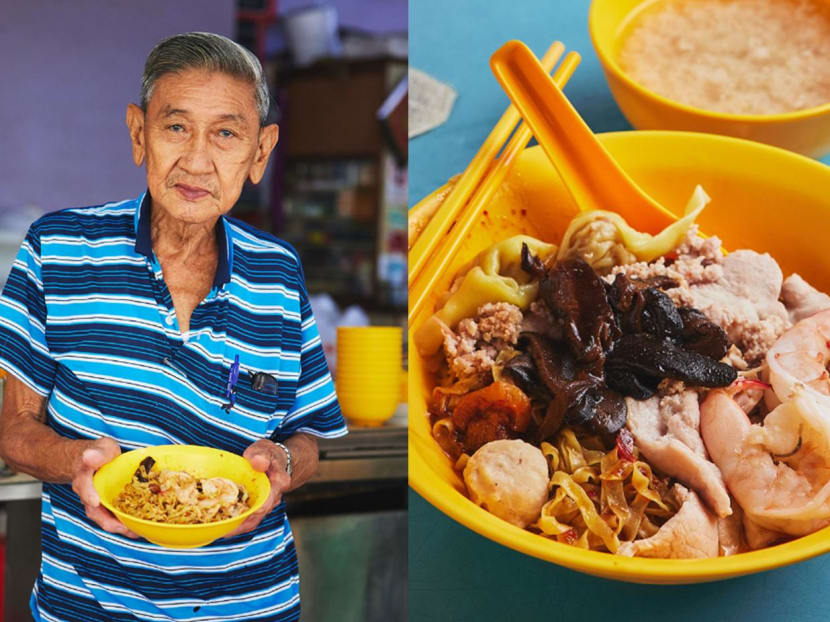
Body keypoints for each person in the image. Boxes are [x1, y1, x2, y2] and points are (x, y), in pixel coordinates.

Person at [0, 32, 346, 621]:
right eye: (176, 127)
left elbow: (309, 435)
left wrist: (282, 466)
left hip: (251, 604)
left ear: (260, 153)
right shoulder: (57, 250)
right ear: (140, 134)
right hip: (87, 605)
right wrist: (78, 463)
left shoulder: (278, 274)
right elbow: (13, 428)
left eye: (227, 134)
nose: (197, 161)